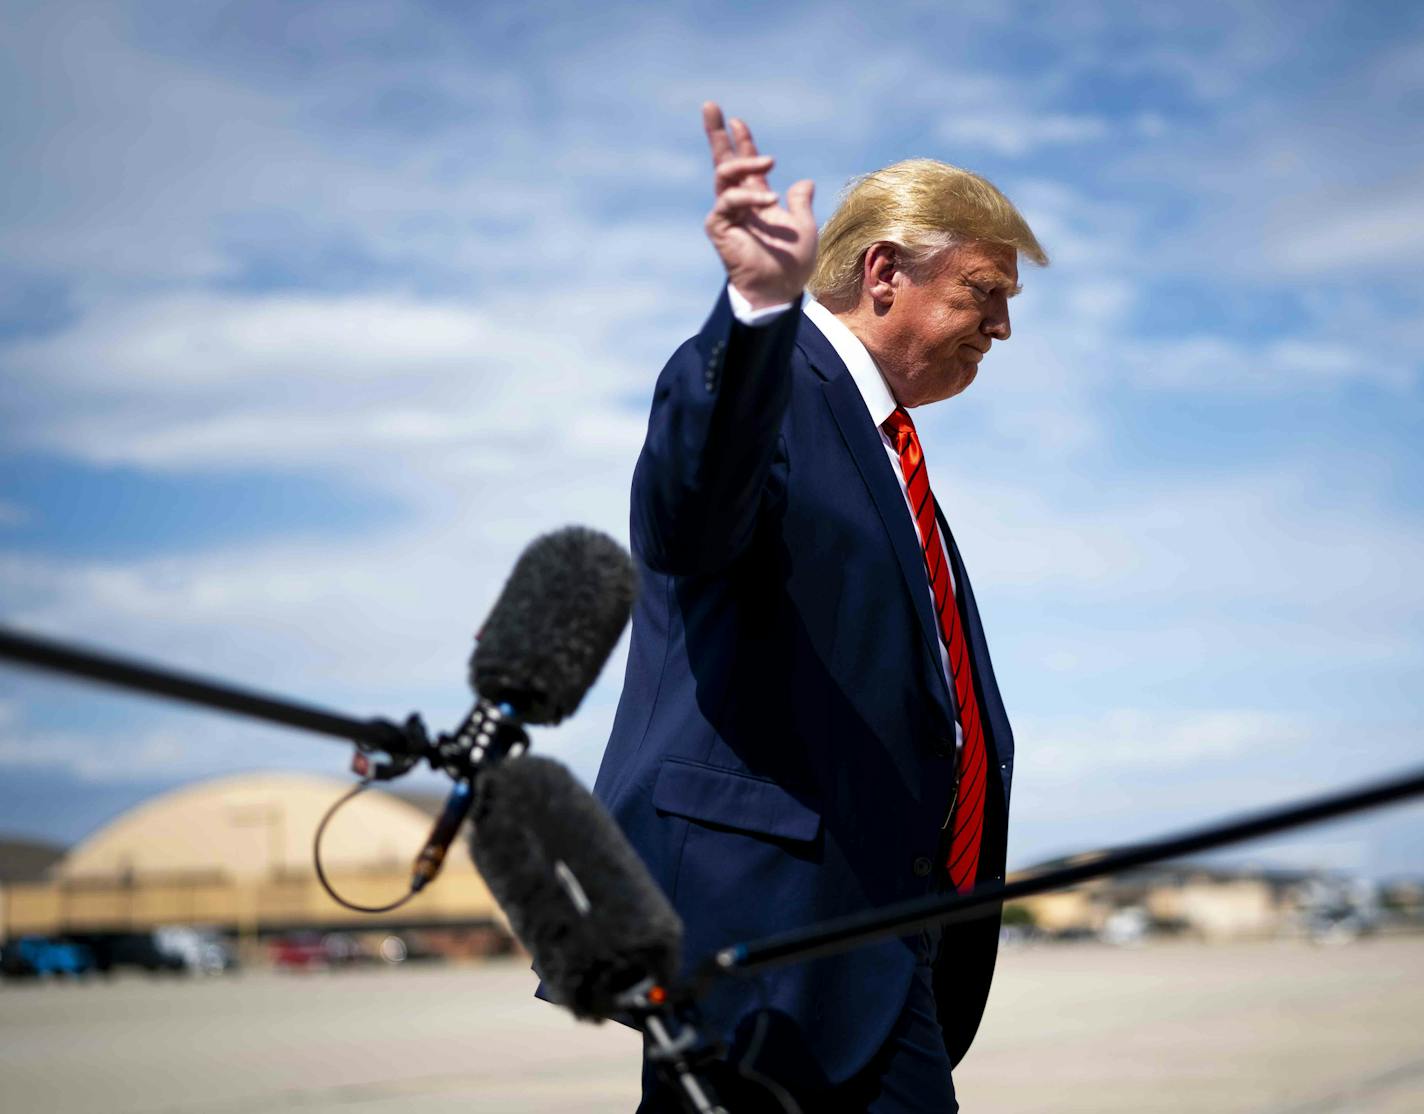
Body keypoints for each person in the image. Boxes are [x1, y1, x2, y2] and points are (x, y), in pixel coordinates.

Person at [592, 102, 1047, 1112]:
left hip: (872, 932)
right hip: (765, 931)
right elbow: (689, 514)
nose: (1002, 326)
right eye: (983, 292)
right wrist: (754, 313)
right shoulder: (773, 383)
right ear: (884, 274)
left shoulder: (885, 452)